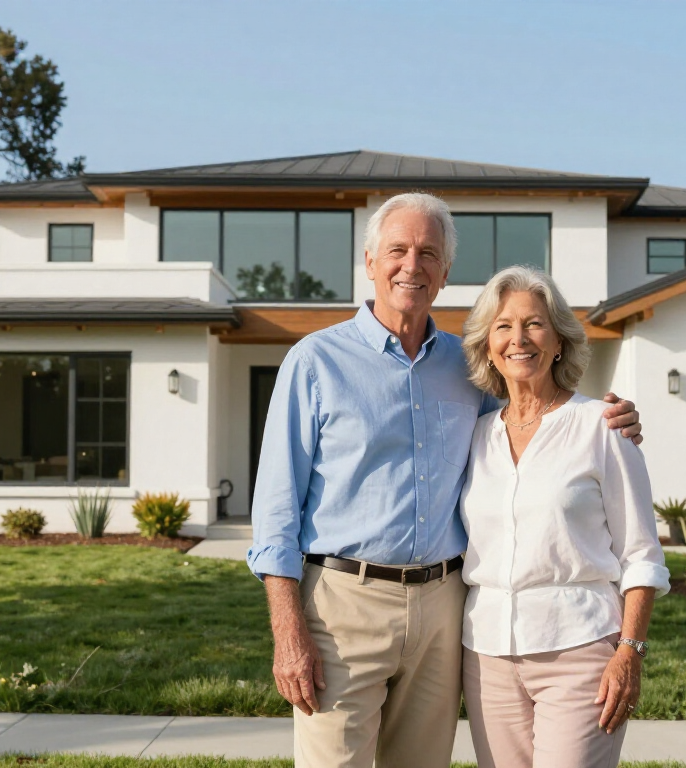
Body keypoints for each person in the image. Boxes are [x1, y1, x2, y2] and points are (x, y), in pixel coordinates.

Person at [247, 192, 643, 768]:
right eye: (398, 250)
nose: (412, 265)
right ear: (370, 261)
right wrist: (287, 631)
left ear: (446, 272)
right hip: (342, 605)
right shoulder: (314, 362)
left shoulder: (471, 368)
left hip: (444, 607)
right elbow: (275, 510)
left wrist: (613, 420)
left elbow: (536, 419)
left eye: (428, 253)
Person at [457, 264, 670, 768]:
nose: (519, 339)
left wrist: (630, 651)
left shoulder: (602, 426)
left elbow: (641, 553)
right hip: (486, 654)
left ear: (559, 341)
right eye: (503, 326)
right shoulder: (474, 435)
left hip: (579, 649)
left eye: (534, 324)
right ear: (488, 345)